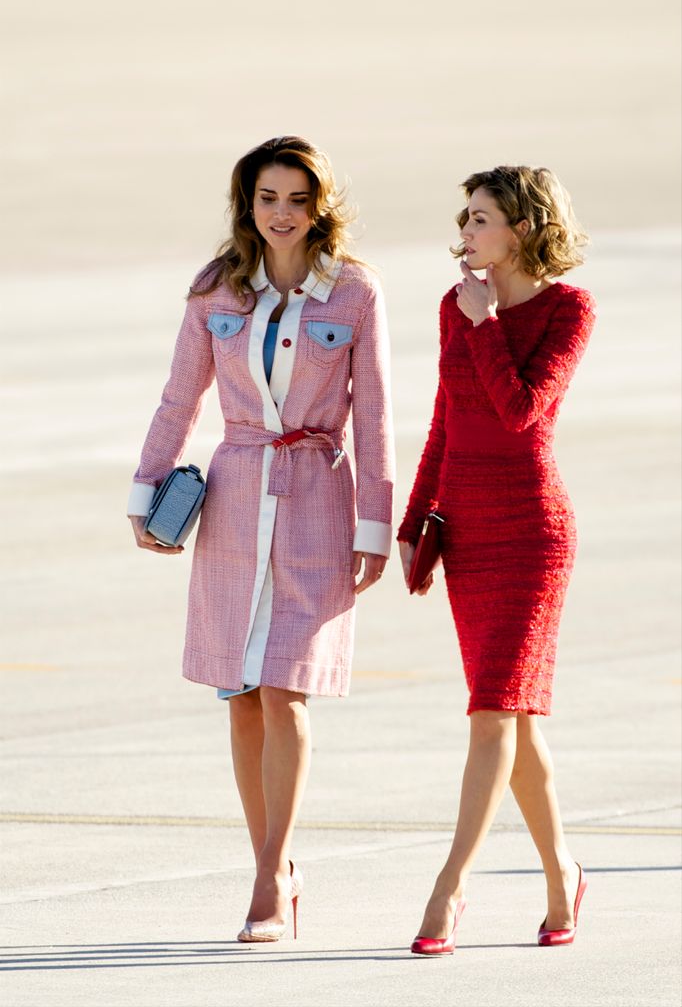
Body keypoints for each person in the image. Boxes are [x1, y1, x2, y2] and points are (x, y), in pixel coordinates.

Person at [127, 136, 394, 942]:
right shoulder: (215, 290)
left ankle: (271, 880)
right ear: (248, 204)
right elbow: (180, 397)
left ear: (321, 206)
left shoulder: (354, 292)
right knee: (241, 696)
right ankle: (271, 865)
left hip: (317, 496)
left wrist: (376, 526)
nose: (282, 214)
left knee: (288, 689)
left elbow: (377, 413)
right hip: (237, 497)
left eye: (298, 199)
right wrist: (148, 490)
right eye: (268, 198)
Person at [397, 165, 595, 955]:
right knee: (511, 720)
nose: (466, 230)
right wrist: (417, 520)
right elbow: (447, 420)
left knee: (490, 713)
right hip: (467, 526)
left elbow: (519, 414)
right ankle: (564, 876)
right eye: (467, 216)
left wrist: (485, 326)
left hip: (531, 528)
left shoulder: (567, 310)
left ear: (521, 227)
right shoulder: (454, 306)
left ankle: (448, 892)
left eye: (481, 218)